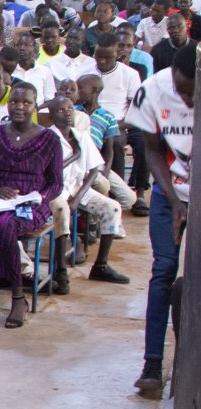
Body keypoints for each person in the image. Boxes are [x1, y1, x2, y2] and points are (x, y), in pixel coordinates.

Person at [0, 83, 63, 329]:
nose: (19, 107)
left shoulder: (49, 139)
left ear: (35, 106)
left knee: (6, 226)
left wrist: (38, 197)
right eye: (15, 102)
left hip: (31, 204)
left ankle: (18, 297)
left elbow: (56, 183)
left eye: (26, 102)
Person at [125, 41, 194, 395]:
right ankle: (152, 363)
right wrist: (174, 200)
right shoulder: (152, 90)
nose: (188, 99)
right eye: (183, 90)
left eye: (194, 93)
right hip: (171, 196)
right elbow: (152, 151)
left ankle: (190, 364)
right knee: (164, 270)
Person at [46, 95, 128, 289]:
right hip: (55, 189)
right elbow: (49, 171)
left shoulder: (81, 136)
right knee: (61, 211)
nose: (67, 113)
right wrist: (75, 155)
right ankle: (60, 270)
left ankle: (100, 265)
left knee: (113, 208)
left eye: (69, 109)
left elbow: (94, 170)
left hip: (77, 188)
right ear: (51, 117)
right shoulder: (47, 138)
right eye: (60, 110)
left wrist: (79, 198)